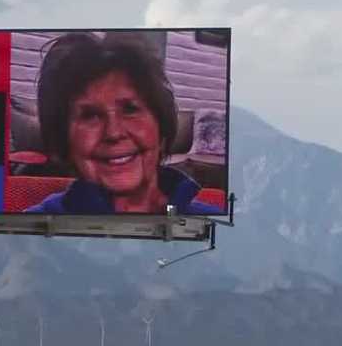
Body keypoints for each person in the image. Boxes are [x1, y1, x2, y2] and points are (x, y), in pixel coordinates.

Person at [26, 32, 221, 215]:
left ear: (160, 126)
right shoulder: (29, 235)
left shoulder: (216, 227)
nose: (114, 132)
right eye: (90, 115)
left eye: (130, 109)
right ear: (64, 140)